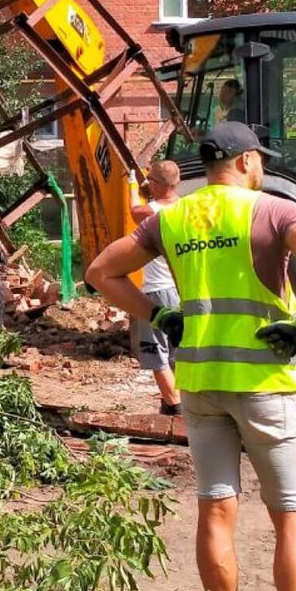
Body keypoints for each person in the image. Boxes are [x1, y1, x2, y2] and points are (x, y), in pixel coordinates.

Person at [86, 122, 296, 591]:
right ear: (248, 161)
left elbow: (101, 272)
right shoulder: (273, 210)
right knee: (291, 516)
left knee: (215, 509)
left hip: (201, 383)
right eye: (262, 161)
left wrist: (160, 317)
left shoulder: (174, 217)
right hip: (264, 383)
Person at [130, 160, 184, 416]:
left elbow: (133, 210)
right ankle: (176, 401)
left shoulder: (150, 210)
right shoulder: (186, 209)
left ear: (156, 184)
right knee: (178, 352)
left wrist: (132, 183)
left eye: (151, 180)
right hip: (182, 290)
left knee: (156, 353)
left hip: (157, 291)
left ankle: (175, 407)